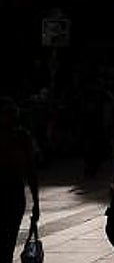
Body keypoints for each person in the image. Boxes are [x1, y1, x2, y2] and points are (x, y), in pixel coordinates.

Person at [0, 97, 38, 263]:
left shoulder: (22, 137)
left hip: (13, 193)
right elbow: (31, 171)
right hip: (12, 193)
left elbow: (31, 171)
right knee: (7, 242)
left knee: (8, 241)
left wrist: (36, 203)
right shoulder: (22, 137)